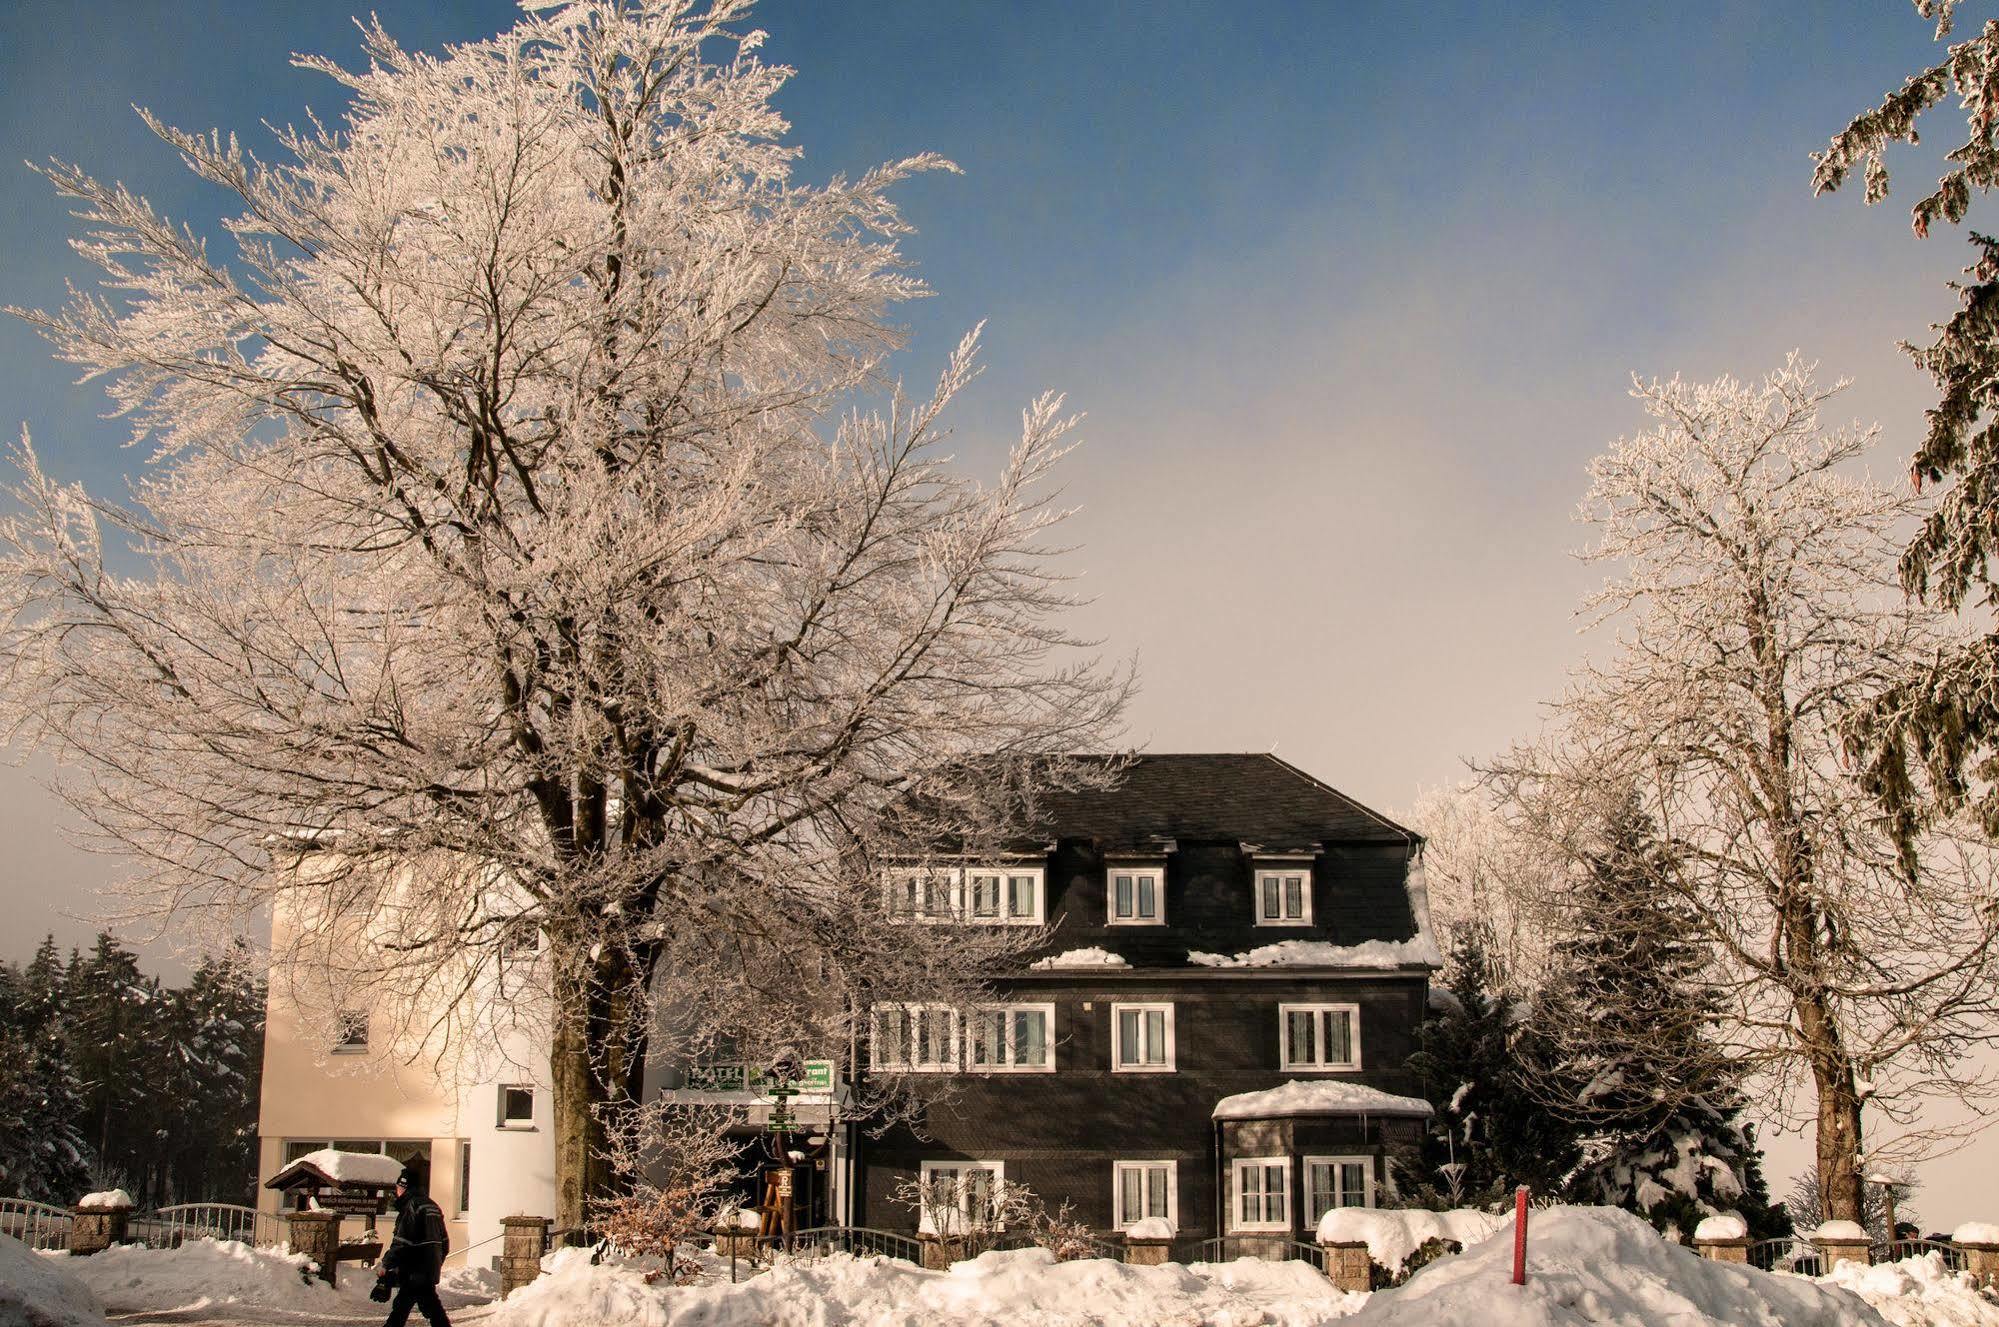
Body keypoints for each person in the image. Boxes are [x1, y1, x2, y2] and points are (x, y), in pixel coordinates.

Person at [377, 1164, 451, 1327]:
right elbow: (444, 1242)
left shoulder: (411, 1206)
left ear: (403, 1186)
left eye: (397, 1186)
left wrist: (386, 1264)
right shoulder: (432, 1206)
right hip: (427, 1268)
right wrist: (435, 1261)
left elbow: (402, 1241)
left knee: (402, 1308)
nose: (396, 1191)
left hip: (414, 1269)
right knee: (429, 1307)